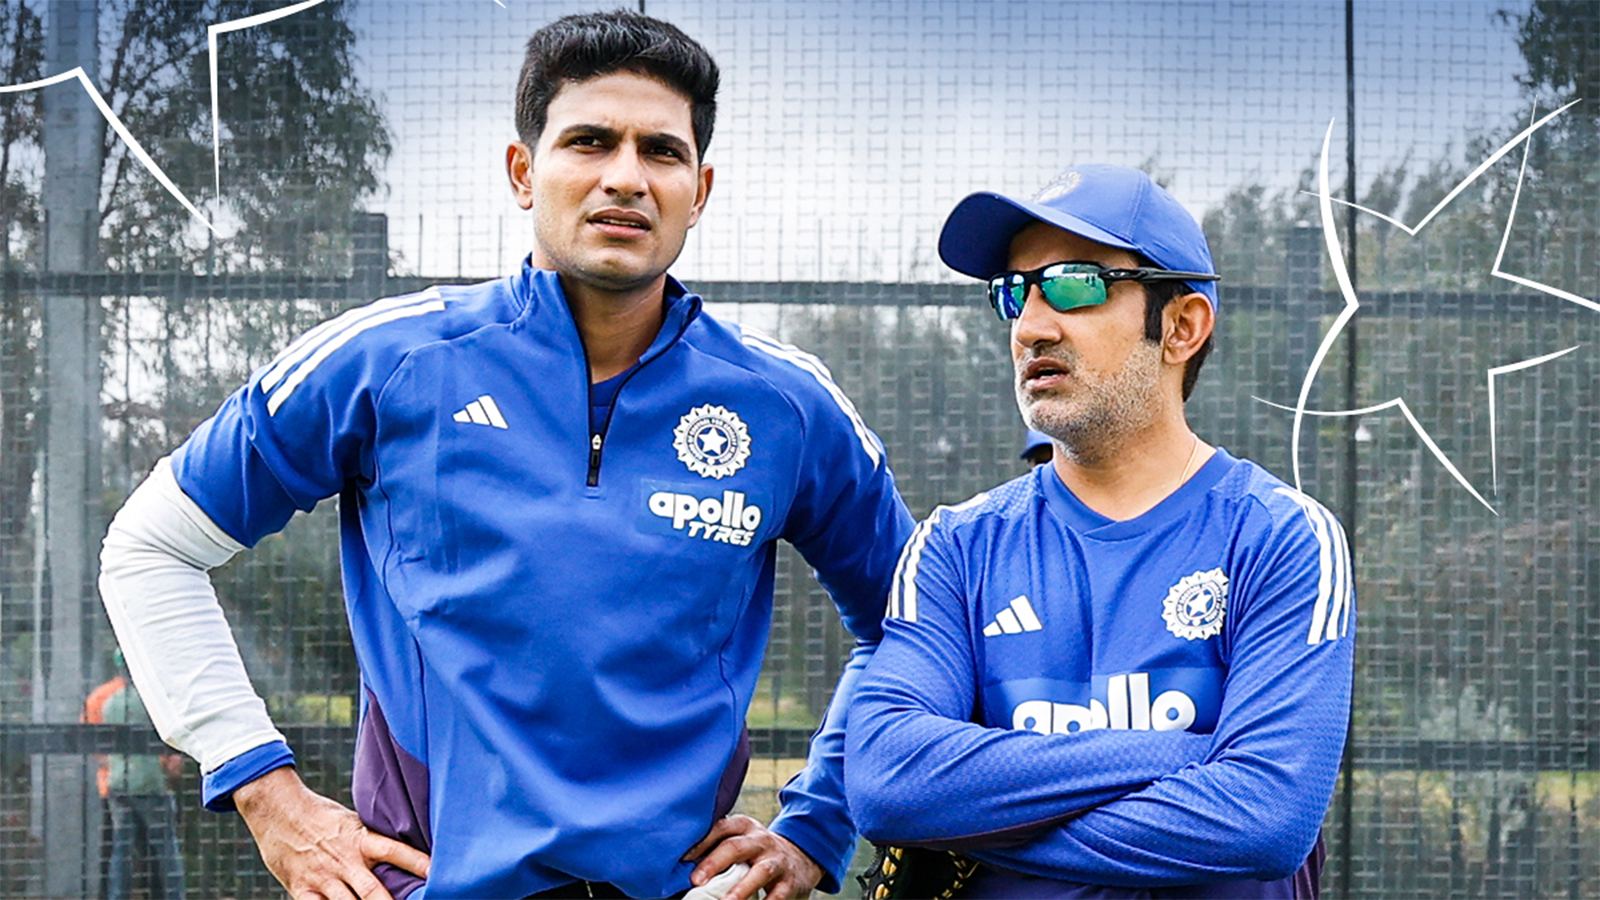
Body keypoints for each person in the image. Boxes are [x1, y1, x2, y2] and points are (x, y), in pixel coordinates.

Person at [97, 11, 912, 899]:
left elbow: (917, 632)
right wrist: (265, 791)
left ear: (701, 187)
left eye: (662, 152)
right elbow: (150, 546)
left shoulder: (788, 404)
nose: (626, 178)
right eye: (590, 142)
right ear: (525, 172)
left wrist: (819, 823)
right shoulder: (390, 362)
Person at [844, 164, 1354, 897]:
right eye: (1015, 292)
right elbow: (887, 780)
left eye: (1076, 284)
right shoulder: (956, 547)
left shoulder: (1282, 538)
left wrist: (983, 811)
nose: (1031, 325)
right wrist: (1186, 757)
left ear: (1181, 327)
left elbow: (1264, 817)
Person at [85, 650, 187, 900]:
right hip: (151, 784)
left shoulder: (107, 699)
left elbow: (91, 741)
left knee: (120, 851)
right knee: (166, 850)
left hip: (117, 784)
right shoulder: (154, 699)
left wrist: (114, 765)